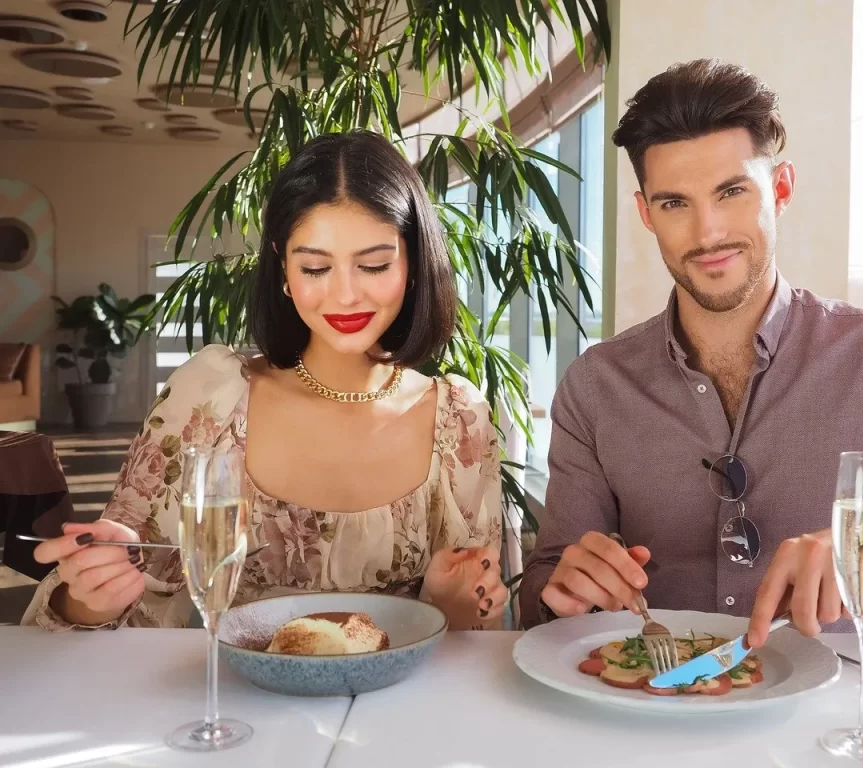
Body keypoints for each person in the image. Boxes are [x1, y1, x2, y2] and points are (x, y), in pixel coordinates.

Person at [519, 59, 863, 643]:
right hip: (652, 712)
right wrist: (563, 593)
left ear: (780, 188)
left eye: (731, 192)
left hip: (835, 721)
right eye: (675, 203)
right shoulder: (594, 386)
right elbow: (544, 592)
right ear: (645, 214)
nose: (707, 232)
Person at [25, 131, 508, 632]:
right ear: (282, 265)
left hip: (398, 707)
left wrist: (454, 607)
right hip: (244, 703)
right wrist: (90, 595)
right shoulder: (211, 397)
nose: (344, 294)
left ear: (411, 263)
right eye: (315, 267)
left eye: (374, 264)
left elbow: (475, 643)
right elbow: (118, 599)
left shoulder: (459, 423)